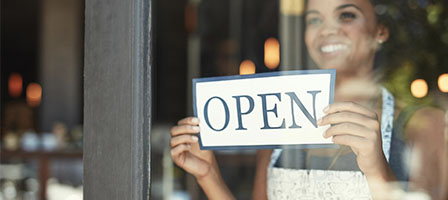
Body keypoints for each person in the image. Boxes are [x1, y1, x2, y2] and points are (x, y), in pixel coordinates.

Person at [169, 0, 447, 199]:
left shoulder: (423, 126)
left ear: (380, 31)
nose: (327, 30)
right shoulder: (279, 118)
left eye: (347, 15)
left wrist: (377, 171)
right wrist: (208, 175)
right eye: (314, 19)